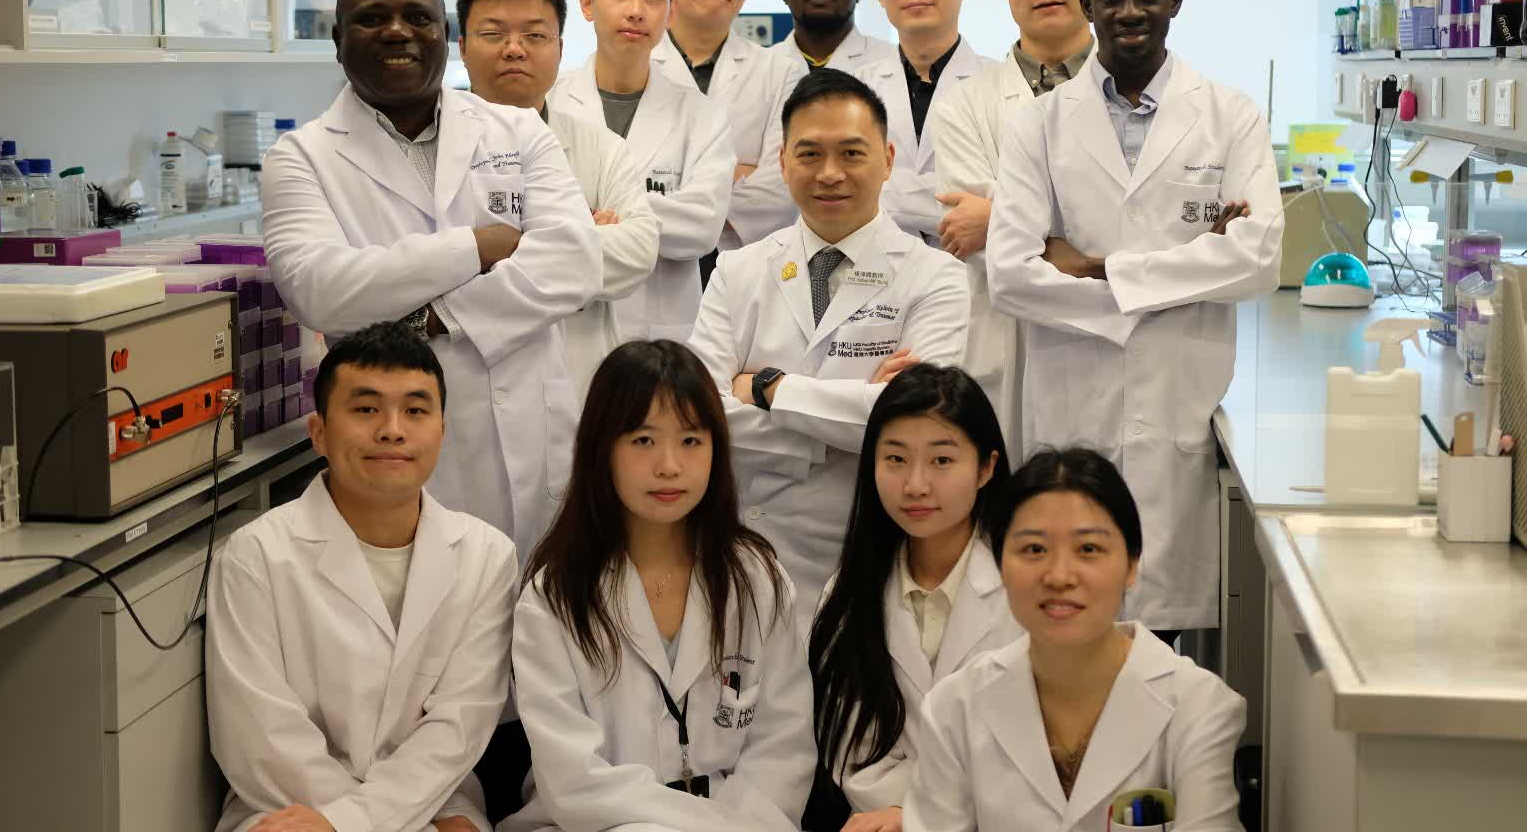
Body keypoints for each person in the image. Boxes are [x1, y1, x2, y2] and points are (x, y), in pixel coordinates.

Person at [985, 0, 1282, 638]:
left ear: (1175, 1)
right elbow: (1011, 277)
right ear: (1087, 5)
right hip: (1073, 407)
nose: (1129, 12)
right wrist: (1192, 266)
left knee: (1160, 643)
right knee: (1065, 617)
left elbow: (1259, 258)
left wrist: (1098, 268)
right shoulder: (1039, 126)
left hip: (1177, 406)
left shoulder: (1230, 115)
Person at [263, 0, 599, 571]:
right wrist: (476, 246)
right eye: (373, 18)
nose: (397, 32)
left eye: (417, 17)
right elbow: (319, 290)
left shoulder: (518, 131)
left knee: (543, 611)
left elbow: (574, 264)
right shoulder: (300, 157)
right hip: (396, 449)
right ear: (338, 40)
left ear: (444, 34)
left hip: (533, 439)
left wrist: (428, 319)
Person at [688, 68, 970, 632]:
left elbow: (918, 425)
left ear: (888, 160)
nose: (830, 173)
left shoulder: (936, 276)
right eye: (810, 154)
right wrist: (855, 421)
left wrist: (768, 389)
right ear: (783, 161)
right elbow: (700, 415)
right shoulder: (738, 270)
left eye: (852, 153)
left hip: (873, 544)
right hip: (750, 544)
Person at [206, 323, 517, 832]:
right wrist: (349, 822)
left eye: (415, 411)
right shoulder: (254, 556)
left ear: (442, 431)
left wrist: (358, 822)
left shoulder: (488, 557)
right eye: (366, 409)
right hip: (292, 807)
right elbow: (260, 738)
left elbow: (458, 728)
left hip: (435, 804)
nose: (392, 430)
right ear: (319, 433)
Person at [504, 340, 816, 832]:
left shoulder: (758, 580)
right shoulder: (554, 596)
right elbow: (575, 783)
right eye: (643, 440)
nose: (669, 465)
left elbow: (784, 748)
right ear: (601, 450)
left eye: (690, 440)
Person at [902, 448, 1246, 832]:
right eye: (1034, 549)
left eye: (1088, 549)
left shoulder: (1198, 707)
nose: (1060, 576)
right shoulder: (953, 710)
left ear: (1132, 564)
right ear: (1000, 566)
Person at [808, 364, 1022, 832]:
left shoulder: (1027, 592)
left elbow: (1037, 753)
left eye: (942, 460)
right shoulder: (846, 597)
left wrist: (921, 816)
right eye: (896, 459)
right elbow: (856, 760)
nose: (916, 485)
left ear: (986, 467)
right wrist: (905, 815)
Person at [929, 0, 1097, 466]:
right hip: (1005, 348)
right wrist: (1083, 239)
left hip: (1109, 349)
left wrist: (999, 217)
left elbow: (1137, 227)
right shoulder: (964, 105)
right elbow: (969, 237)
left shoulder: (1135, 95)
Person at [456, 0, 660, 398]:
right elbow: (427, 265)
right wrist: (576, 235)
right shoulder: (432, 147)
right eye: (493, 34)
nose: (515, 49)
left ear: (560, 48)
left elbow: (639, 253)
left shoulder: (602, 147)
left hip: (575, 384)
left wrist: (494, 246)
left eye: (535, 35)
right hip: (462, 382)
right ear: (463, 47)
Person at [548, 0, 735, 343]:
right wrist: (642, 218)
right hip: (567, 326)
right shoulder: (550, 102)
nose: (636, 11)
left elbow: (702, 227)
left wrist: (589, 211)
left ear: (670, 12)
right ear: (587, 4)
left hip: (660, 335)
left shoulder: (702, 115)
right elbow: (533, 216)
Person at [656, 0, 804, 261]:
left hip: (745, 259)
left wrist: (671, 190)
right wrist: (734, 173)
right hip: (651, 261)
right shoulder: (637, 65)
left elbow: (782, 188)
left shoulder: (782, 72)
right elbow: (622, 183)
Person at [854, 0, 989, 243]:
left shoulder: (1003, 86)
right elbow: (841, 187)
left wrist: (882, 188)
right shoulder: (852, 92)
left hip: (973, 270)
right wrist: (974, 200)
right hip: (872, 269)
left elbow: (1020, 199)